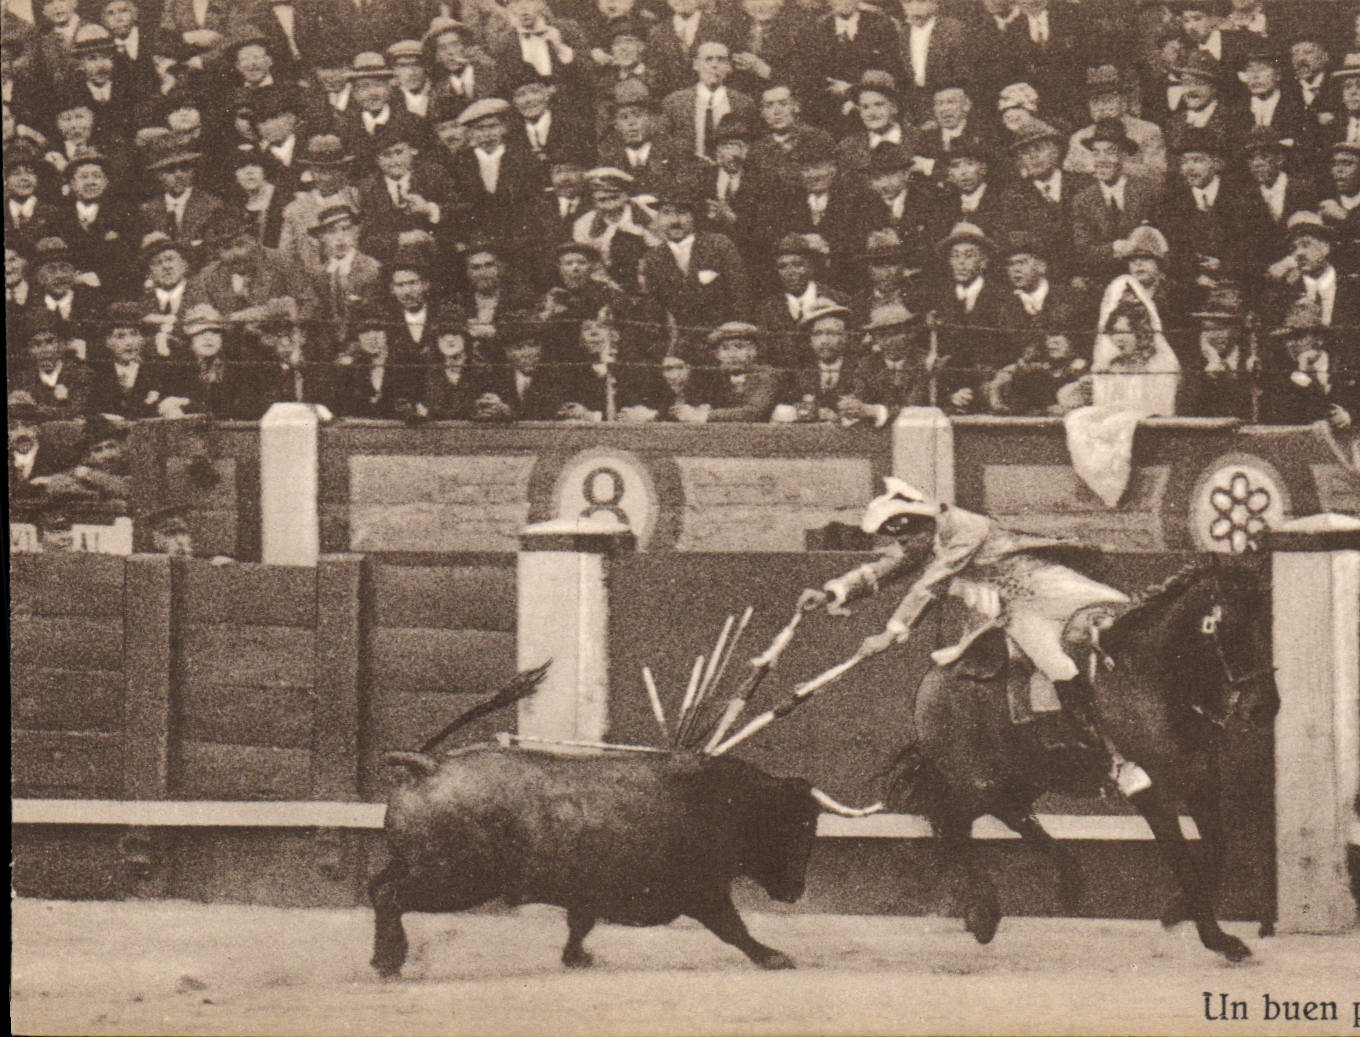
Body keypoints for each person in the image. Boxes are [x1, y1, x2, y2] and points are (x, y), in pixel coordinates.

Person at [798, 476, 1132, 751]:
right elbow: (887, 567)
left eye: (909, 539)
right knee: (1057, 664)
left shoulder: (966, 530)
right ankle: (1103, 748)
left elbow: (929, 585)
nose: (906, 548)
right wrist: (833, 591)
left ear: (923, 526)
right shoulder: (929, 535)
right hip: (1017, 609)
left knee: (1125, 619)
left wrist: (890, 633)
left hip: (1054, 586)